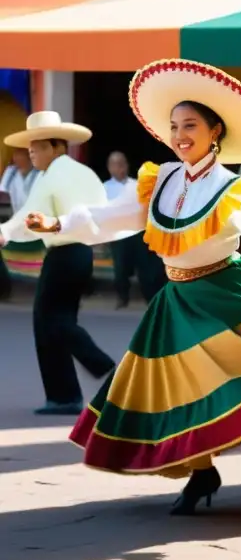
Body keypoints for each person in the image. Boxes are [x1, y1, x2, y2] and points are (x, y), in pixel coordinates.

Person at [25, 59, 241, 514]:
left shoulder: (237, 188)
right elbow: (113, 216)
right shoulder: (160, 180)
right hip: (177, 300)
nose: (180, 134)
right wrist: (58, 222)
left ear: (215, 132)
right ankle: (201, 472)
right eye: (174, 126)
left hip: (228, 292)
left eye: (190, 125)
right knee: (182, 390)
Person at [0, 112, 116, 415]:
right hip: (80, 254)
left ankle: (101, 369)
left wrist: (5, 232)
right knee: (52, 321)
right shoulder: (81, 173)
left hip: (64, 255)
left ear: (56, 146)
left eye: (37, 147)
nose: (32, 153)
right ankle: (64, 396)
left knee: (52, 321)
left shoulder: (53, 176)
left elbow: (31, 213)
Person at [0, 147, 39, 300]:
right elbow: (3, 197)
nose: (17, 158)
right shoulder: (11, 172)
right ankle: (4, 289)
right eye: (15, 154)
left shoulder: (40, 173)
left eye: (20, 155)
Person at [104, 151, 139, 308]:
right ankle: (122, 297)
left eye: (122, 164)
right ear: (109, 168)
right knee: (120, 269)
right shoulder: (105, 188)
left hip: (137, 232)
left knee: (146, 269)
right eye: (115, 165)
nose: (120, 168)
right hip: (118, 233)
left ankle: (151, 298)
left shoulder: (137, 185)